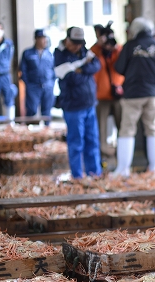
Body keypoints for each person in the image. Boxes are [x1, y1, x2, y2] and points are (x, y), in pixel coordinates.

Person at [113, 17, 155, 176]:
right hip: (153, 94)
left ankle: (123, 169)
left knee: (127, 130)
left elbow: (119, 68)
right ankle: (154, 168)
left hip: (133, 94)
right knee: (152, 129)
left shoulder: (130, 46)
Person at [53, 27, 101, 179]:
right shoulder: (60, 55)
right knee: (76, 143)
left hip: (89, 104)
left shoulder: (84, 51)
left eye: (79, 44)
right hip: (73, 107)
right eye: (74, 43)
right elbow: (71, 79)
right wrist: (87, 71)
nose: (77, 47)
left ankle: (94, 174)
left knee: (92, 142)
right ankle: (77, 176)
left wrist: (81, 69)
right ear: (66, 39)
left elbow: (97, 65)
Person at [90, 23, 124, 170]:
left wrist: (114, 47)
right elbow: (90, 58)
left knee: (122, 126)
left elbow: (122, 63)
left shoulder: (119, 50)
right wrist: (100, 46)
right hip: (101, 95)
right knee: (101, 127)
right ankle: (104, 154)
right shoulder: (95, 50)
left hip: (118, 93)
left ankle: (122, 152)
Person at [20, 29, 55, 126]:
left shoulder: (50, 54)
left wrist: (51, 83)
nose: (44, 41)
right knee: (31, 110)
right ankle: (29, 133)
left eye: (45, 38)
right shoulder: (27, 53)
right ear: (36, 39)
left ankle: (46, 132)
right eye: (42, 38)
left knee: (47, 111)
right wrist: (28, 83)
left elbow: (54, 70)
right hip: (33, 86)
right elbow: (23, 70)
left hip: (47, 86)